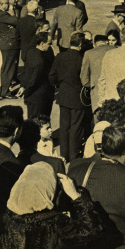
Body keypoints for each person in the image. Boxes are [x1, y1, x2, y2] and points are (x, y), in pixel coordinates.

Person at [50, 32, 90, 163]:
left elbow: (52, 76)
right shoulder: (82, 58)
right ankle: (74, 157)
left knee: (64, 127)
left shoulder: (60, 56)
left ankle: (64, 156)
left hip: (63, 96)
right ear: (80, 44)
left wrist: (60, 86)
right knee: (76, 128)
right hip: (78, 98)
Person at [21, 31, 55, 120]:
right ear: (42, 43)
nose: (50, 45)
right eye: (49, 43)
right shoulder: (40, 61)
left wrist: (23, 86)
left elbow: (25, 71)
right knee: (38, 122)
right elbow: (34, 81)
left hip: (34, 97)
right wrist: (26, 93)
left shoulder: (30, 52)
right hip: (39, 97)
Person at [81, 33, 115, 115]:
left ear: (94, 43)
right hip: (114, 90)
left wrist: (93, 85)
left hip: (97, 91)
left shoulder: (89, 53)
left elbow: (84, 80)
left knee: (99, 118)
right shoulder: (115, 50)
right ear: (106, 42)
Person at [0, 0, 21, 100]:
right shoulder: (3, 14)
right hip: (9, 43)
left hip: (7, 43)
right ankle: (5, 91)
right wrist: (13, 14)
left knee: (6, 67)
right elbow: (16, 21)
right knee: (9, 68)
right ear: (1, 4)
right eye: (6, 3)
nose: (8, 4)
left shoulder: (2, 14)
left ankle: (4, 89)